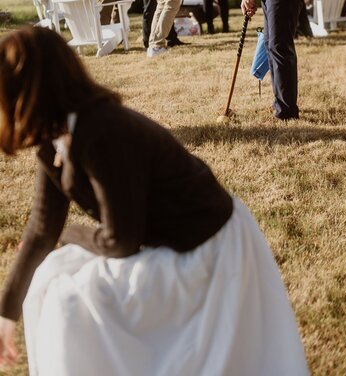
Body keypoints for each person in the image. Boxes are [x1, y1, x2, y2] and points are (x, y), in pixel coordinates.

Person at [0, 27, 309, 375]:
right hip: (158, 240)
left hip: (203, 249)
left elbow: (121, 240)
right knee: (49, 276)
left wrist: (70, 235)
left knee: (66, 301)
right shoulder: (53, 136)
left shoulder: (101, 129)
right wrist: (5, 315)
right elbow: (42, 228)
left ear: (30, 90)